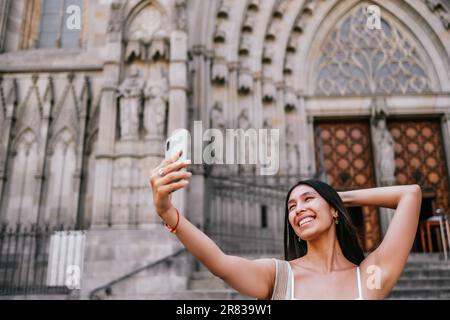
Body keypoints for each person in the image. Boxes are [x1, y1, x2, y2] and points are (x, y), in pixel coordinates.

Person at [148, 151, 422, 300]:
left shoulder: (368, 278)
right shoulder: (279, 277)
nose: (299, 209)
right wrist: (168, 213)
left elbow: (410, 194)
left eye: (308, 199)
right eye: (292, 207)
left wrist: (336, 198)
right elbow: (220, 263)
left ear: (334, 211)